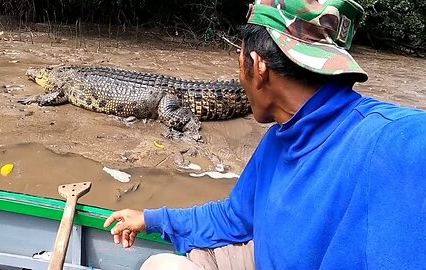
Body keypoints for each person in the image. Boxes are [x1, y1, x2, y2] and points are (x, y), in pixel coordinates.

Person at [104, 0, 426, 269]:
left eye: (239, 59)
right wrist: (153, 219)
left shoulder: (396, 140)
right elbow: (232, 218)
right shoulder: (277, 141)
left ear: (257, 67)